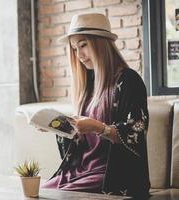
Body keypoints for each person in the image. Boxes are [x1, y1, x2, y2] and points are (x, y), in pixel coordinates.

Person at [41, 13, 150, 199]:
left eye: (83, 45)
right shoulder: (88, 85)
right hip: (80, 171)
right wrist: (60, 128)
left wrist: (97, 127)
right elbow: (82, 143)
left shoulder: (129, 81)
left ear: (101, 43)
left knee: (50, 195)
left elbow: (137, 131)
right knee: (38, 192)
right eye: (75, 48)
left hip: (112, 176)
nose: (79, 55)